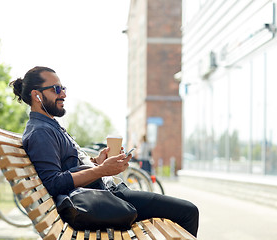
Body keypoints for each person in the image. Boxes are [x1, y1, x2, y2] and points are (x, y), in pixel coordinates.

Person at [10, 66, 199, 237]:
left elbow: (67, 168)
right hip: (103, 199)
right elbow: (53, 183)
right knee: (188, 212)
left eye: (63, 88)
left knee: (185, 211)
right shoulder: (41, 132)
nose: (64, 95)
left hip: (105, 193)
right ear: (37, 95)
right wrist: (101, 171)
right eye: (56, 89)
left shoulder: (48, 126)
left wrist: (97, 163)